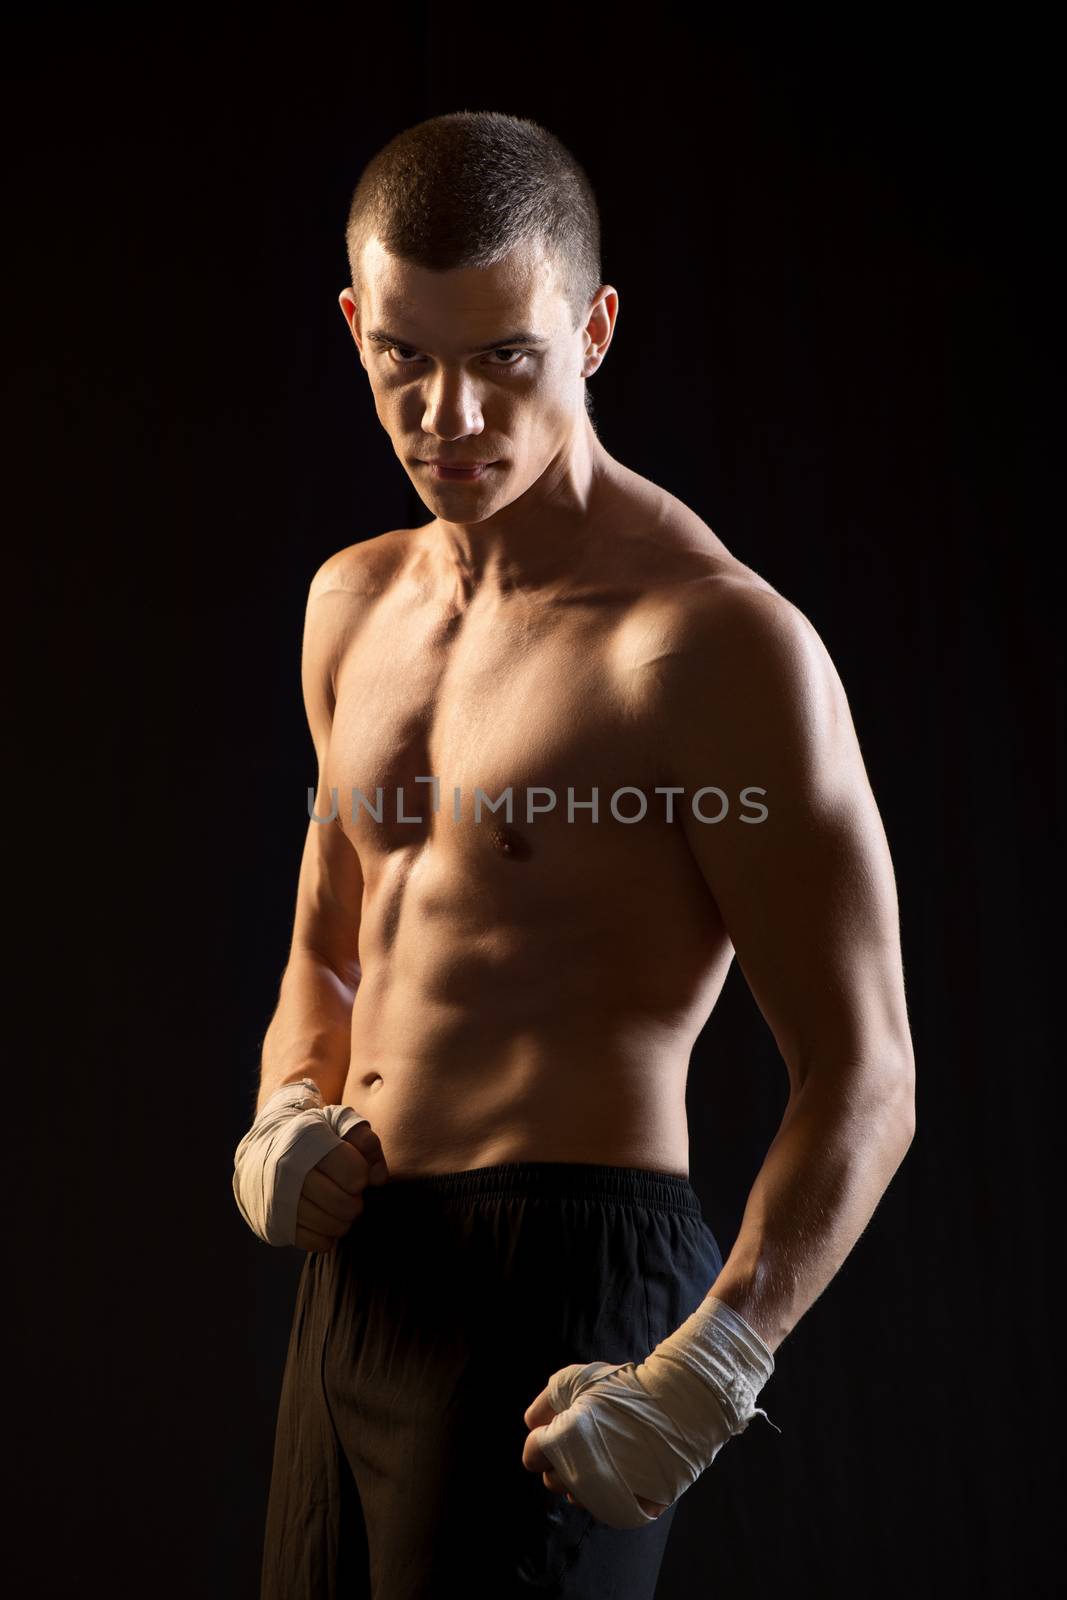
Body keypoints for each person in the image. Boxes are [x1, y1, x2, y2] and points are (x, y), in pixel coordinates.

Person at [232, 110, 916, 1599]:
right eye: (404, 356)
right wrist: (287, 1103)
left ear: (593, 328)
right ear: (353, 322)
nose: (450, 416)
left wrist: (715, 1363)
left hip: (564, 1283)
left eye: (506, 358)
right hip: (355, 1282)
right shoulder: (349, 605)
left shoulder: (712, 646)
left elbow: (869, 1073)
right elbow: (330, 932)